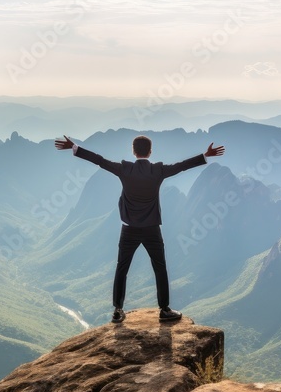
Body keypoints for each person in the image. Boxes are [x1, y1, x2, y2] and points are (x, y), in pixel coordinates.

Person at [55, 134, 225, 323]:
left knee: (122, 268)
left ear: (133, 151)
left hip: (129, 230)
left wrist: (76, 148)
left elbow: (100, 161)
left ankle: (118, 310)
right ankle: (165, 309)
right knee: (160, 268)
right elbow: (181, 166)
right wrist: (204, 155)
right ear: (150, 151)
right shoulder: (158, 171)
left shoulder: (125, 169)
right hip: (152, 229)